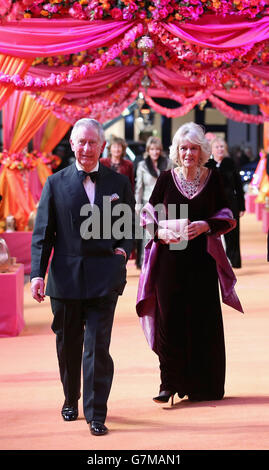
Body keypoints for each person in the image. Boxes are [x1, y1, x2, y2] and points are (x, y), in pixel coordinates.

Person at [30, 118, 135, 436]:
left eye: (93, 142)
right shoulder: (55, 183)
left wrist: (121, 253)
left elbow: (127, 227)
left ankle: (96, 413)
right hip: (65, 278)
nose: (87, 148)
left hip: (105, 277)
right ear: (73, 145)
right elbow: (43, 233)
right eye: (81, 142)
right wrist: (37, 273)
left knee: (97, 346)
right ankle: (70, 397)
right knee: (68, 344)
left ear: (103, 146)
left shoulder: (118, 184)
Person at [136, 122, 243, 405]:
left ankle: (203, 384)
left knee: (202, 319)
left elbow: (227, 213)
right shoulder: (165, 179)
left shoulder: (214, 178)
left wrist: (206, 225)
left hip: (202, 261)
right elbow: (147, 214)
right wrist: (158, 232)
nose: (188, 153)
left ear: (202, 151)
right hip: (170, 262)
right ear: (176, 151)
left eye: (194, 148)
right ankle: (168, 383)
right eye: (184, 148)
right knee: (169, 319)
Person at [135, 136, 173, 268]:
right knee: (148, 235)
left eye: (157, 149)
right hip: (147, 203)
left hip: (164, 204)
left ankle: (162, 264)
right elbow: (139, 187)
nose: (155, 152)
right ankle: (146, 263)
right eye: (152, 149)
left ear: (161, 150)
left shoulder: (168, 163)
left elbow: (172, 184)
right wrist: (137, 205)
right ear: (148, 150)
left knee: (164, 235)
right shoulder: (142, 165)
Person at [211, 137, 245, 268]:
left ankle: (234, 260)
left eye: (222, 147)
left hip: (231, 203)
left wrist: (242, 206)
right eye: (217, 147)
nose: (220, 149)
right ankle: (217, 260)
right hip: (213, 203)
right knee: (215, 233)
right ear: (212, 149)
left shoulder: (230, 163)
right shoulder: (209, 165)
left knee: (233, 233)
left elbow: (238, 186)